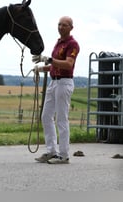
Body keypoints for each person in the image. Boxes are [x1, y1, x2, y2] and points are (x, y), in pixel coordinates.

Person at [32, 16, 80, 164]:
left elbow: (68, 64)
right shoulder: (58, 43)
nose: (61, 27)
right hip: (54, 82)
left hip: (64, 83)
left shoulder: (73, 44)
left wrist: (49, 60)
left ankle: (64, 154)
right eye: (59, 24)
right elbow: (54, 65)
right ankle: (51, 150)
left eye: (64, 25)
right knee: (46, 116)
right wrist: (41, 68)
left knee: (61, 118)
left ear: (71, 27)